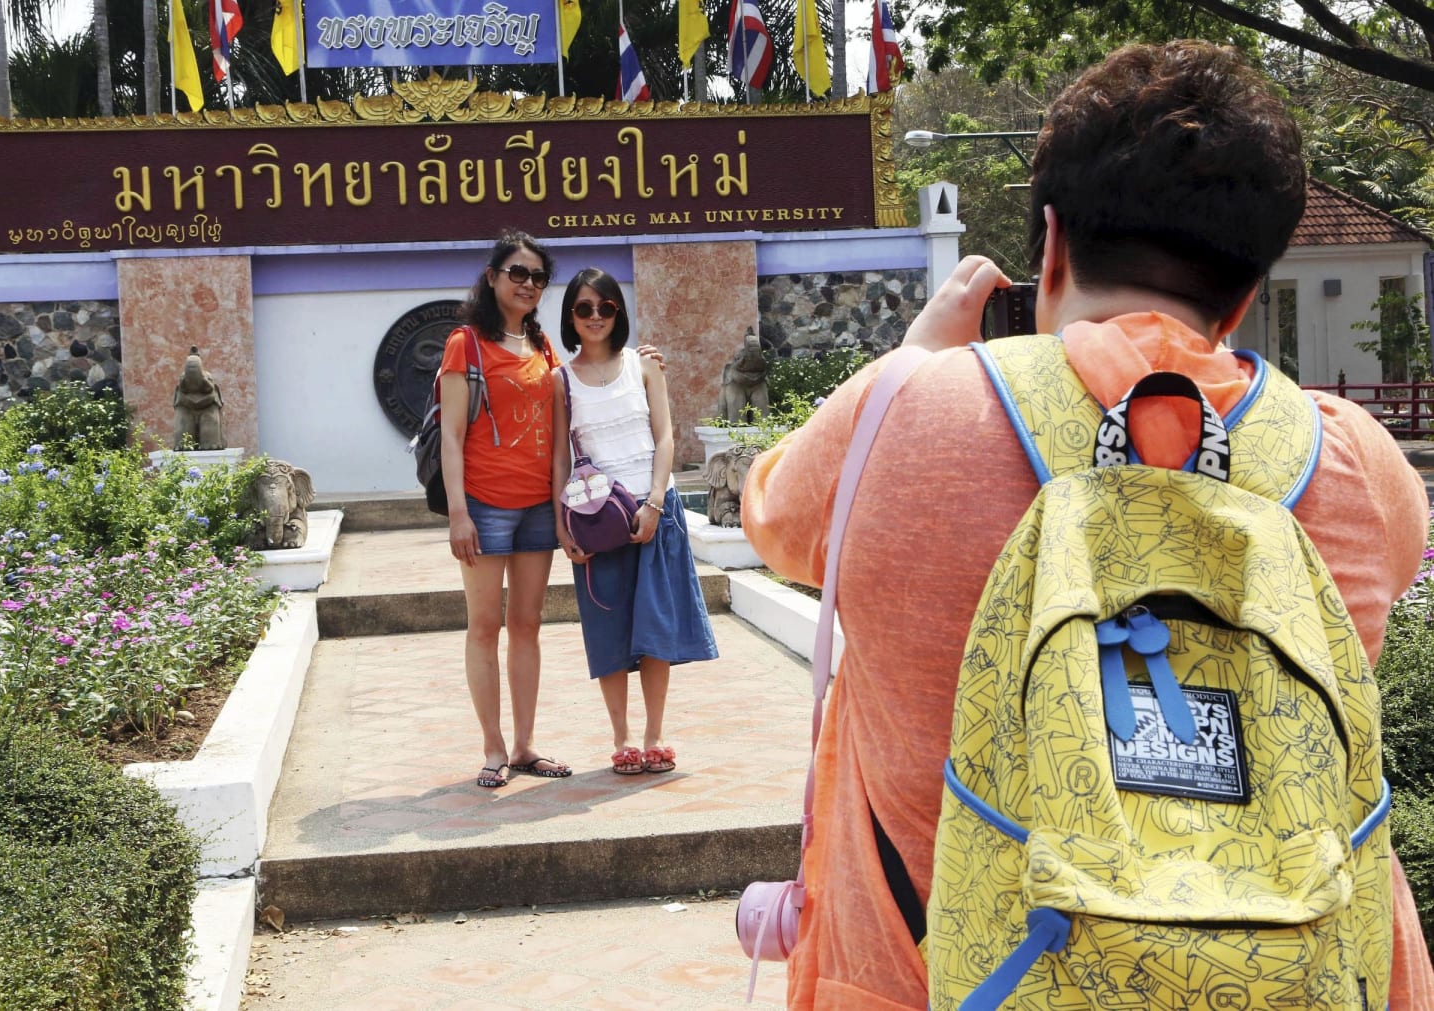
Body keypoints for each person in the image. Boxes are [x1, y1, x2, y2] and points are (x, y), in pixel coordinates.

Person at [741, 41, 1434, 1010]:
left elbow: (777, 520)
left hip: (938, 974)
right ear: (1243, 293)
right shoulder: (1352, 459)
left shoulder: (900, 419)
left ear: (1052, 242)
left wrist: (910, 362)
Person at [551, 268, 718, 776]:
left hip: (653, 513)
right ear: (571, 317)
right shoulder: (561, 379)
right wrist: (562, 526)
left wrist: (655, 502)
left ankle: (655, 733)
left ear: (618, 312)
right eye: (584, 308)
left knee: (654, 626)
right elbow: (559, 456)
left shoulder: (644, 366)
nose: (596, 316)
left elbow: (666, 437)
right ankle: (621, 736)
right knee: (608, 628)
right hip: (596, 520)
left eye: (606, 307)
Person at [439, 231, 573, 789]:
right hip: (484, 506)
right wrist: (458, 512)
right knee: (484, 626)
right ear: (492, 276)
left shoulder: (543, 346)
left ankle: (523, 745)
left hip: (538, 504)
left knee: (527, 625)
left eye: (538, 276)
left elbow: (578, 397)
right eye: (517, 273)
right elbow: (450, 436)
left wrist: (640, 363)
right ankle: (493, 747)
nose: (528, 284)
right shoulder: (465, 344)